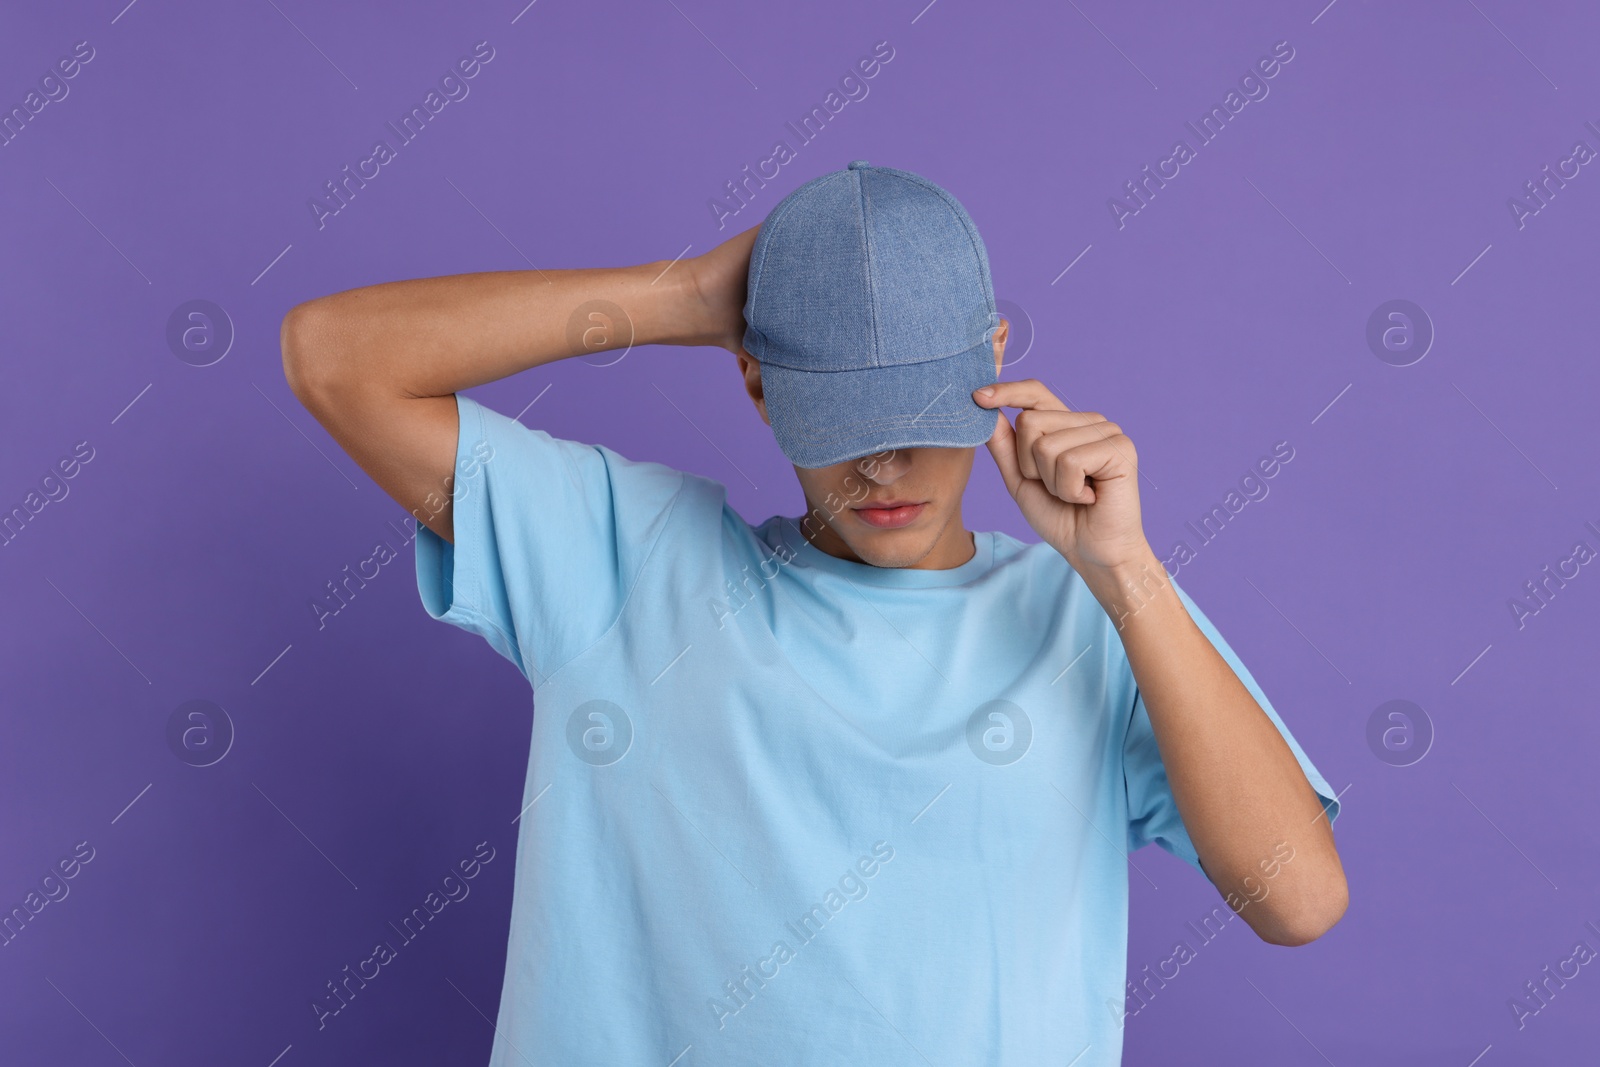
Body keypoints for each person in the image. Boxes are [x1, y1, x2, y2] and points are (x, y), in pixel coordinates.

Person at [281, 159, 1347, 1066]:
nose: (883, 464)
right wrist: (685, 295)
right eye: (839, 417)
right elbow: (333, 359)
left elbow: (1294, 899)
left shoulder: (1092, 616)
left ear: (993, 359)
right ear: (754, 385)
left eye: (918, 417)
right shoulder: (625, 563)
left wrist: (1127, 575)